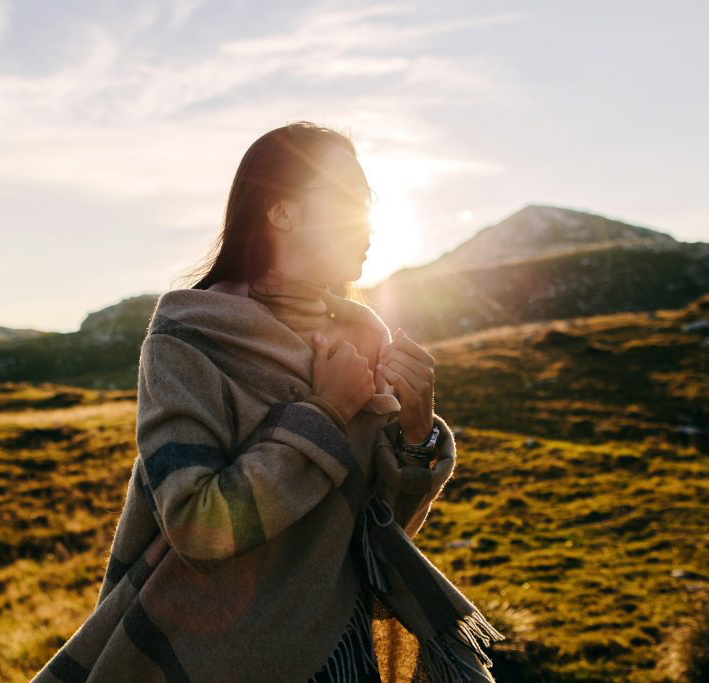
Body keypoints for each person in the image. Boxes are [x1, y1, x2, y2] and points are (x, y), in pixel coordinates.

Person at [30, 121, 502, 683]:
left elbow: (368, 534)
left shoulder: (364, 340)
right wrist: (324, 414)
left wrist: (417, 432)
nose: (367, 219)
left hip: (343, 653)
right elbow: (196, 524)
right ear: (280, 212)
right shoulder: (192, 337)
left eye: (369, 200)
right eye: (346, 196)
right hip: (218, 656)